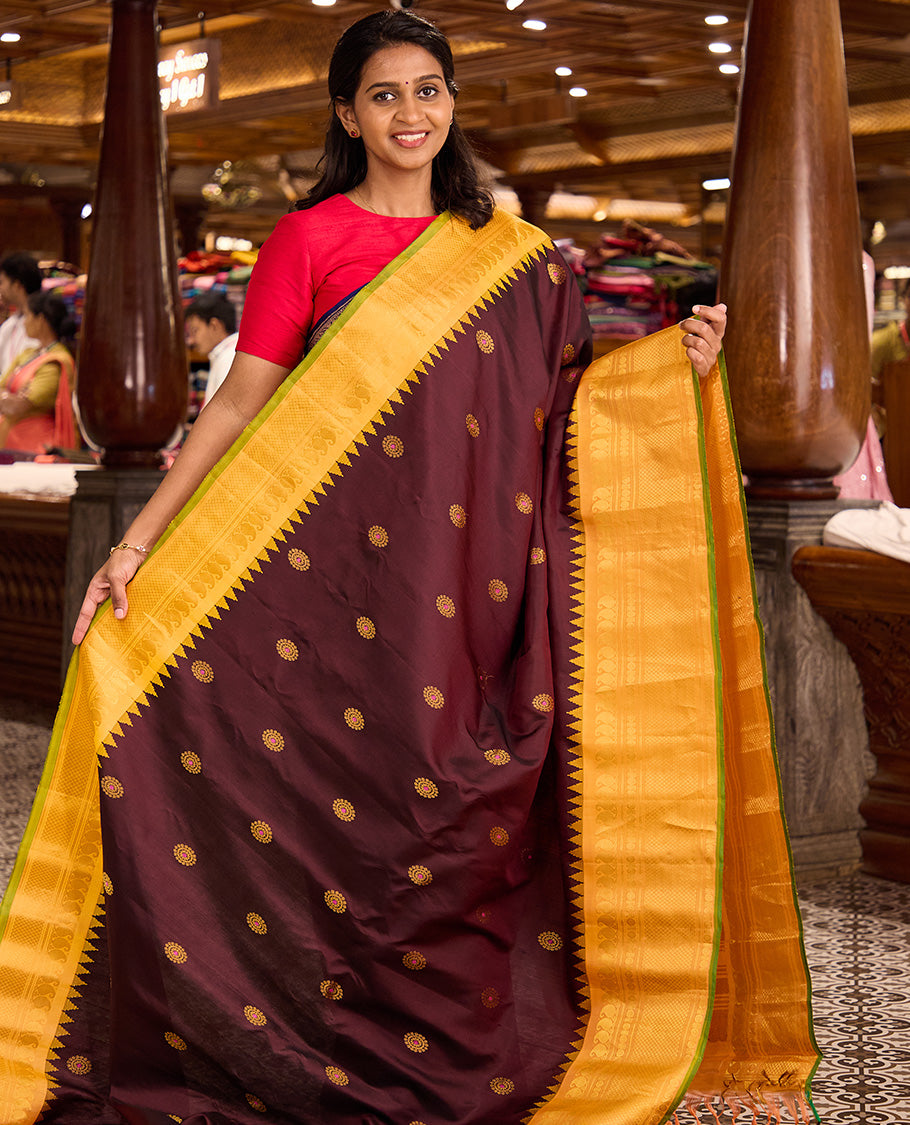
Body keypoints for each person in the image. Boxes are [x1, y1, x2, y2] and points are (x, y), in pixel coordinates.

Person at [0, 11, 817, 1125]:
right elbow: (243, 398)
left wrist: (665, 377)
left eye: (428, 90)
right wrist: (138, 543)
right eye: (385, 96)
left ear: (451, 103)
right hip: (324, 584)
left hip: (465, 594)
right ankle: (274, 1025)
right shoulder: (308, 239)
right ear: (347, 114)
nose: (411, 115)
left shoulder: (519, 260)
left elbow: (561, 410)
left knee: (439, 809)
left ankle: (434, 1034)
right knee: (300, 792)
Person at [0, 290, 77, 453]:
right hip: (10, 444)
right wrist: (7, 397)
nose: (24, 322)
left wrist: (9, 397)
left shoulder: (56, 361)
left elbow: (17, 407)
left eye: (27, 316)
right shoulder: (28, 353)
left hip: (35, 450)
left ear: (40, 320)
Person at [184, 291, 240, 407]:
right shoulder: (228, 355)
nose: (191, 341)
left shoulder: (229, 359)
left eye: (195, 331)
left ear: (215, 326)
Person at [0, 251, 42, 378]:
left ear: (17, 285)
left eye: (1, 282)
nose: (0, 289)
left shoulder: (43, 322)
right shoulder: (9, 325)